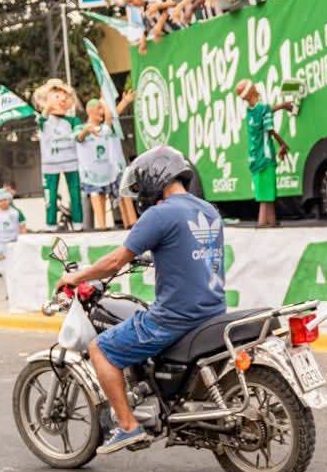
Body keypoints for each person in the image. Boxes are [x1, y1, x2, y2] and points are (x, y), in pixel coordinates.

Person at [55, 147, 226, 454]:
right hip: (212, 311)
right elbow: (187, 249)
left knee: (101, 348)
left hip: (174, 317)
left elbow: (114, 262)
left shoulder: (159, 214)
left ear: (154, 178)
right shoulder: (208, 210)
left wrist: (76, 277)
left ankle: (128, 426)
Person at [234, 79, 295, 228]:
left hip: (254, 158)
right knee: (266, 196)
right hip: (266, 157)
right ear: (252, 90)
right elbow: (269, 128)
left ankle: (272, 222)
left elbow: (264, 112)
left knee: (264, 195)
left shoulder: (251, 111)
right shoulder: (263, 107)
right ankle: (262, 224)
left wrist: (280, 106)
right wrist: (282, 144)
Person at [76, 92, 135, 230]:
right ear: (90, 111)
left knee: (122, 193)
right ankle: (101, 226)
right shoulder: (80, 128)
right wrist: (86, 130)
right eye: (99, 108)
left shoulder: (106, 129)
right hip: (92, 173)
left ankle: (131, 223)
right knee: (97, 195)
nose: (102, 112)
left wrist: (123, 102)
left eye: (103, 109)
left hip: (109, 170)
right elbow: (79, 137)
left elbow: (111, 117)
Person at [33, 77, 84, 229]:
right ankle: (50, 224)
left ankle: (78, 223)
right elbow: (40, 121)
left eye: (65, 97)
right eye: (57, 96)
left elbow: (79, 135)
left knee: (75, 193)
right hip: (50, 163)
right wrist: (48, 107)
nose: (62, 100)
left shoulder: (73, 120)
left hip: (71, 160)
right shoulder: (42, 119)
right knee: (51, 195)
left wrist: (85, 131)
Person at [0, 187, 26, 268]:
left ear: (9, 200)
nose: (3, 202)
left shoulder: (16, 212)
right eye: (0, 201)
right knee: (2, 268)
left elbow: (23, 228)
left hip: (14, 244)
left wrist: (23, 242)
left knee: (14, 266)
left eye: (5, 200)